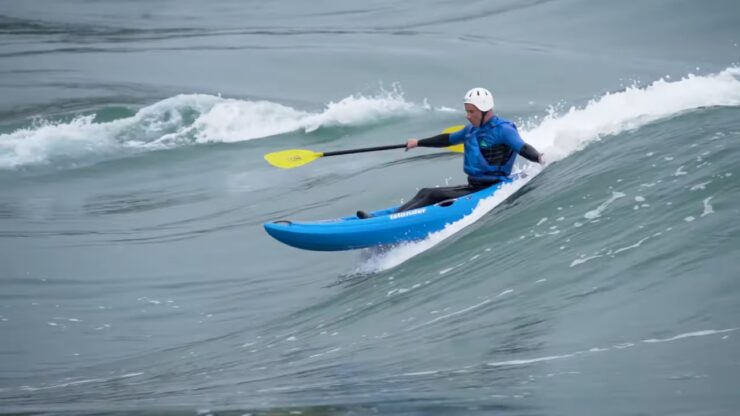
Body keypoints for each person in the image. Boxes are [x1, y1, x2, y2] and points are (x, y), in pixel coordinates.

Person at [357, 87, 544, 219]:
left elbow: (523, 147)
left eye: (472, 112)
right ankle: (386, 217)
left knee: (431, 195)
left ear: (486, 111)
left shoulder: (503, 130)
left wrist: (541, 159)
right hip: (474, 186)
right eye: (467, 111)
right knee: (425, 192)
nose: (468, 116)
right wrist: (418, 143)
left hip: (491, 187)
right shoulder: (470, 129)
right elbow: (447, 139)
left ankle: (388, 221)